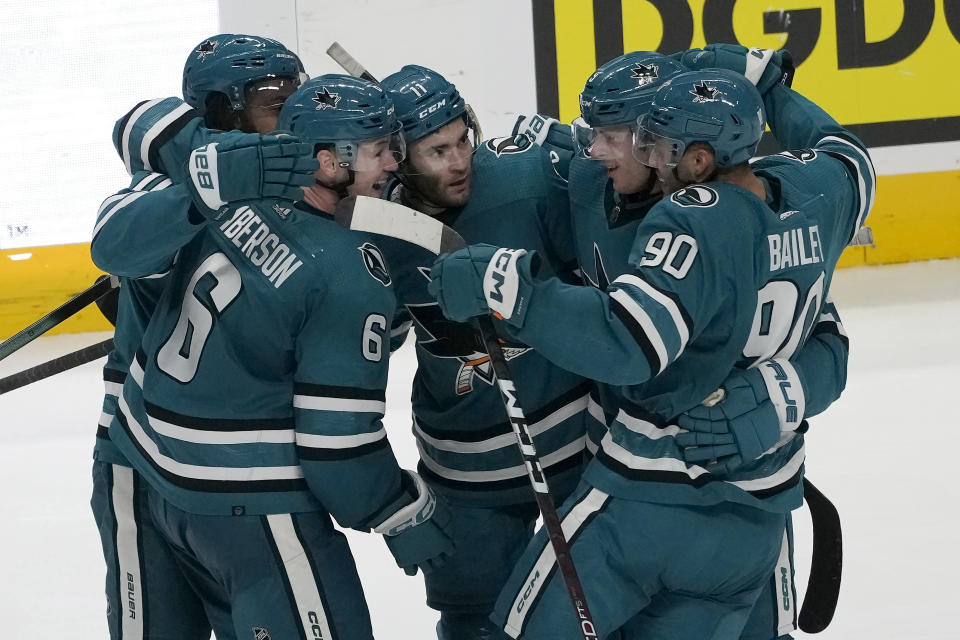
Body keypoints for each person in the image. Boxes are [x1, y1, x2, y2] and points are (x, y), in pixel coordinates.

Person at [429, 66, 874, 639]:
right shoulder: (812, 188)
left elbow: (629, 340)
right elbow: (849, 157)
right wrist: (767, 85)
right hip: (747, 493)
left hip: (656, 486)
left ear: (692, 157)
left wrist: (784, 396)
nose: (598, 149)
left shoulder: (695, 218)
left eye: (632, 138)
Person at [92, 71, 452, 640]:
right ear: (331, 163)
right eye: (381, 150)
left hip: (155, 481)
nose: (392, 165)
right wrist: (399, 509)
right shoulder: (346, 274)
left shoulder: (227, 189)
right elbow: (337, 446)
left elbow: (119, 238)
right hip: (251, 508)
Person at [90, 33, 309, 639]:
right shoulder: (171, 186)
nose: (292, 117)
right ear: (219, 110)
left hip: (245, 473)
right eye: (273, 102)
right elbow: (115, 240)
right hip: (139, 456)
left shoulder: (305, 191)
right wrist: (212, 178)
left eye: (298, 98)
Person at [376, 65, 600, 640]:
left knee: (586, 611)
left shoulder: (527, 183)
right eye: (436, 151)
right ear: (398, 160)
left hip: (569, 446)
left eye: (462, 141)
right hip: (460, 467)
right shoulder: (374, 230)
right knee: (472, 617)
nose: (458, 162)